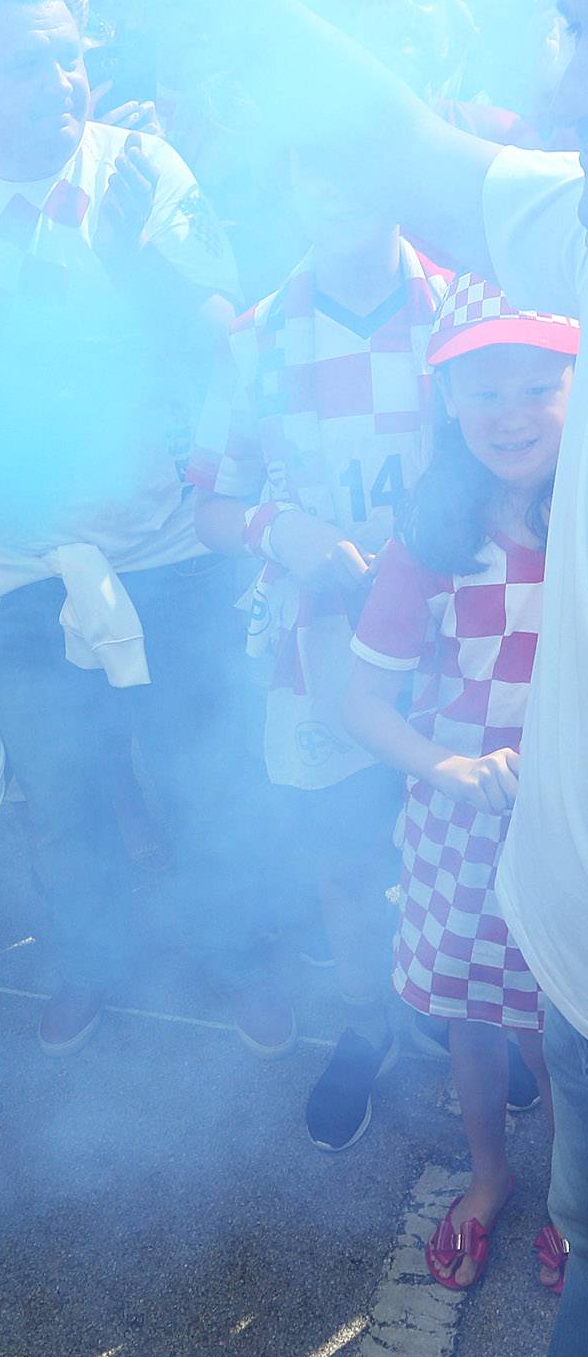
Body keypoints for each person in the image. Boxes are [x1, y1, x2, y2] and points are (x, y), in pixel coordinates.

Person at [52, 0, 588, 1357]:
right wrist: (330, 553)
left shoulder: (489, 295)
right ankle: (427, 1090)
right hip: (395, 690)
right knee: (407, 911)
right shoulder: (296, 315)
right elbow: (222, 491)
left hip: (498, 691)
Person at [0, 0, 255, 1058]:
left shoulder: (140, 171)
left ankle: (240, 958)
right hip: (18, 558)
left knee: (203, 772)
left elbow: (225, 345)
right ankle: (90, 965)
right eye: (26, 64)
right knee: (60, 797)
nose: (62, 83)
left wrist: (144, 280)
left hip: (163, 544)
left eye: (69, 58)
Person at [189, 164, 449, 1149]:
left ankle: (474, 1016)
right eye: (306, 161)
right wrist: (275, 527)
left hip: (462, 646)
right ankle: (369, 1020)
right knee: (344, 860)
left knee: (469, 842)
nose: (334, 181)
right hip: (324, 650)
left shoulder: (461, 309)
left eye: (355, 150)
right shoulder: (255, 337)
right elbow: (210, 500)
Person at [342, 279, 575, 1292]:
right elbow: (361, 703)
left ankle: (573, 1199)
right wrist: (448, 766)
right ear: (446, 401)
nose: (514, 416)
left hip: (569, 828)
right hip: (463, 825)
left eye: (539, 386)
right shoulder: (429, 543)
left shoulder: (582, 524)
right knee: (475, 1022)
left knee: (563, 1026)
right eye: (486, 394)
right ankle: (488, 1178)